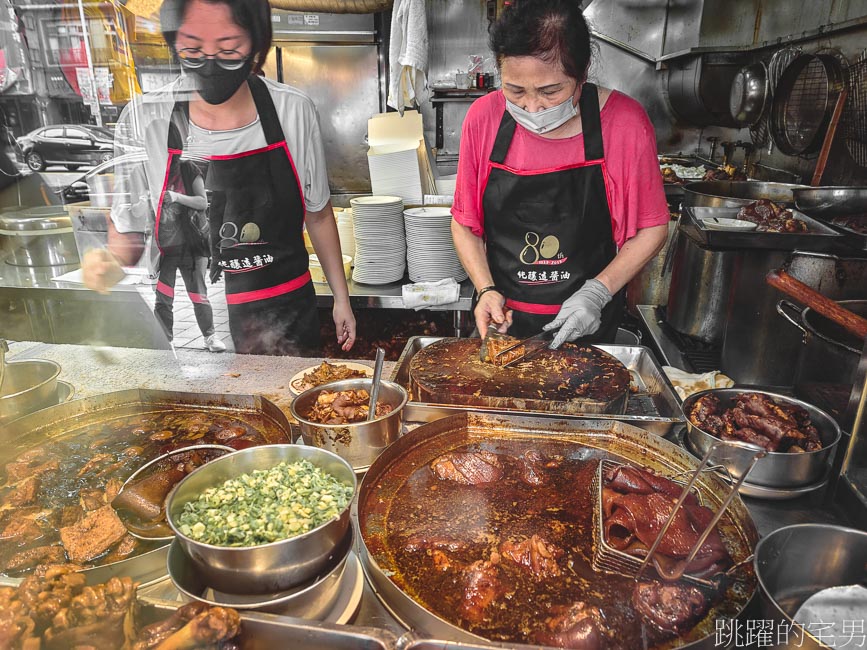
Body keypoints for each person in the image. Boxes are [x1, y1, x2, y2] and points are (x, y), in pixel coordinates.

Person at [82, 0, 356, 355]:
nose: (210, 63)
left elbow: (318, 215)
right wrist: (107, 264)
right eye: (193, 48)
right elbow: (128, 232)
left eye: (229, 48)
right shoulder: (145, 118)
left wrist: (341, 299)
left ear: (257, 42)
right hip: (191, 319)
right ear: (172, 40)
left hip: (285, 313)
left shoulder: (292, 110)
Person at [450, 0, 669, 348]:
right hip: (504, 326)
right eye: (515, 90)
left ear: (581, 76)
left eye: (551, 91)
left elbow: (652, 226)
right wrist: (485, 289)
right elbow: (465, 223)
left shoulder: (625, 123)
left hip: (589, 326)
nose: (532, 107)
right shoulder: (483, 119)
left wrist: (598, 292)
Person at [152, 136, 226, 352]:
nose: (170, 159)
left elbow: (202, 202)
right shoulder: (151, 172)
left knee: (197, 293)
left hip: (193, 245)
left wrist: (175, 197)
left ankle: (210, 336)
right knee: (163, 296)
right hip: (164, 247)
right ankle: (165, 341)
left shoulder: (188, 168)